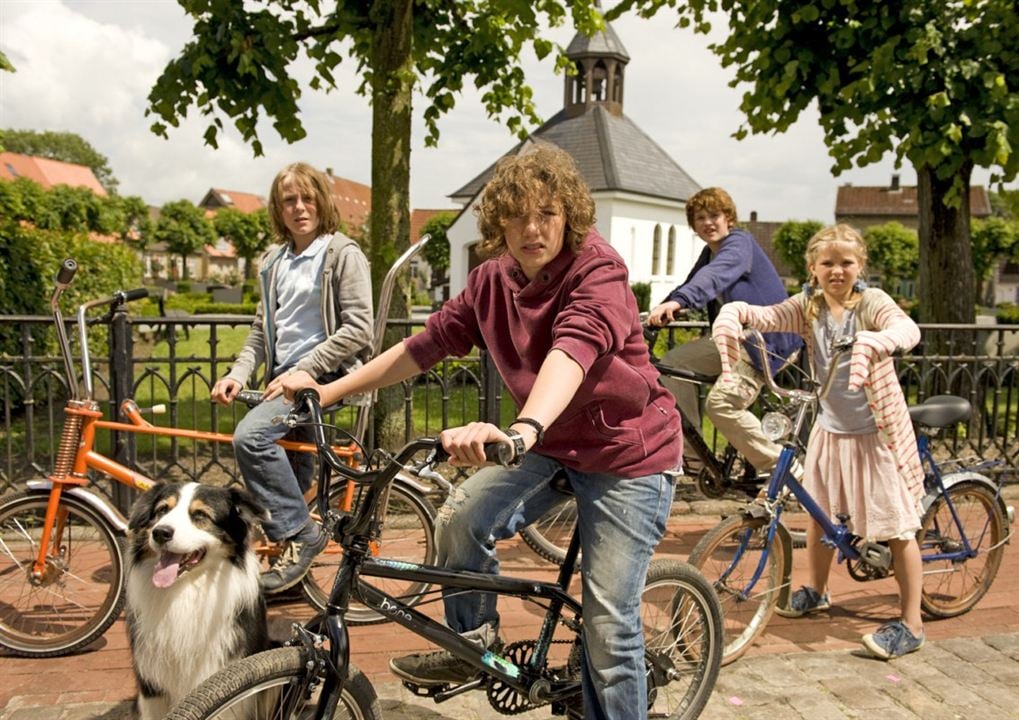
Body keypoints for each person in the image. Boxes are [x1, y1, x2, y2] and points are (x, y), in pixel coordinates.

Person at [273, 143, 681, 719]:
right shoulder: (492, 280)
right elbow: (424, 345)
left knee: (609, 626)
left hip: (627, 455)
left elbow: (574, 350)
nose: (532, 229)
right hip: (551, 444)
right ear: (499, 223)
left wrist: (524, 426)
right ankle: (474, 645)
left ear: (570, 216)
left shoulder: (599, 270)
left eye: (547, 214)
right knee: (459, 519)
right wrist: (324, 388)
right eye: (517, 215)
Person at [711, 224, 925, 660]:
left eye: (846, 262)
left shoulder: (872, 304)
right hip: (830, 429)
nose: (837, 270)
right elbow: (768, 316)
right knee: (818, 512)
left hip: (875, 433)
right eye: (827, 263)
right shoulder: (808, 306)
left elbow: (907, 330)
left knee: (897, 527)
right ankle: (818, 590)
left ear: (860, 265)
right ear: (813, 268)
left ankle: (912, 624)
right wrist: (737, 312)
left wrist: (876, 339)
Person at [211, 162, 373, 594]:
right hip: (283, 383)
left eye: (308, 197)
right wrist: (236, 374)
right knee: (294, 482)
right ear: (278, 210)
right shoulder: (273, 262)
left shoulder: (342, 254)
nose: (300, 207)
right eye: (289, 200)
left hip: (324, 382)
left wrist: (305, 371)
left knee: (251, 439)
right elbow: (261, 333)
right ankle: (295, 575)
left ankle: (303, 538)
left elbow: (359, 328)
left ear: (322, 200)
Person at [647, 187, 801, 477]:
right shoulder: (709, 253)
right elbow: (689, 286)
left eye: (714, 215)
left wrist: (681, 300)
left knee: (722, 406)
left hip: (765, 342)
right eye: (700, 218)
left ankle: (783, 468)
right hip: (734, 339)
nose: (708, 222)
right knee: (670, 366)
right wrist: (660, 310)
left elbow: (714, 278)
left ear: (729, 218)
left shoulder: (739, 244)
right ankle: (693, 457)